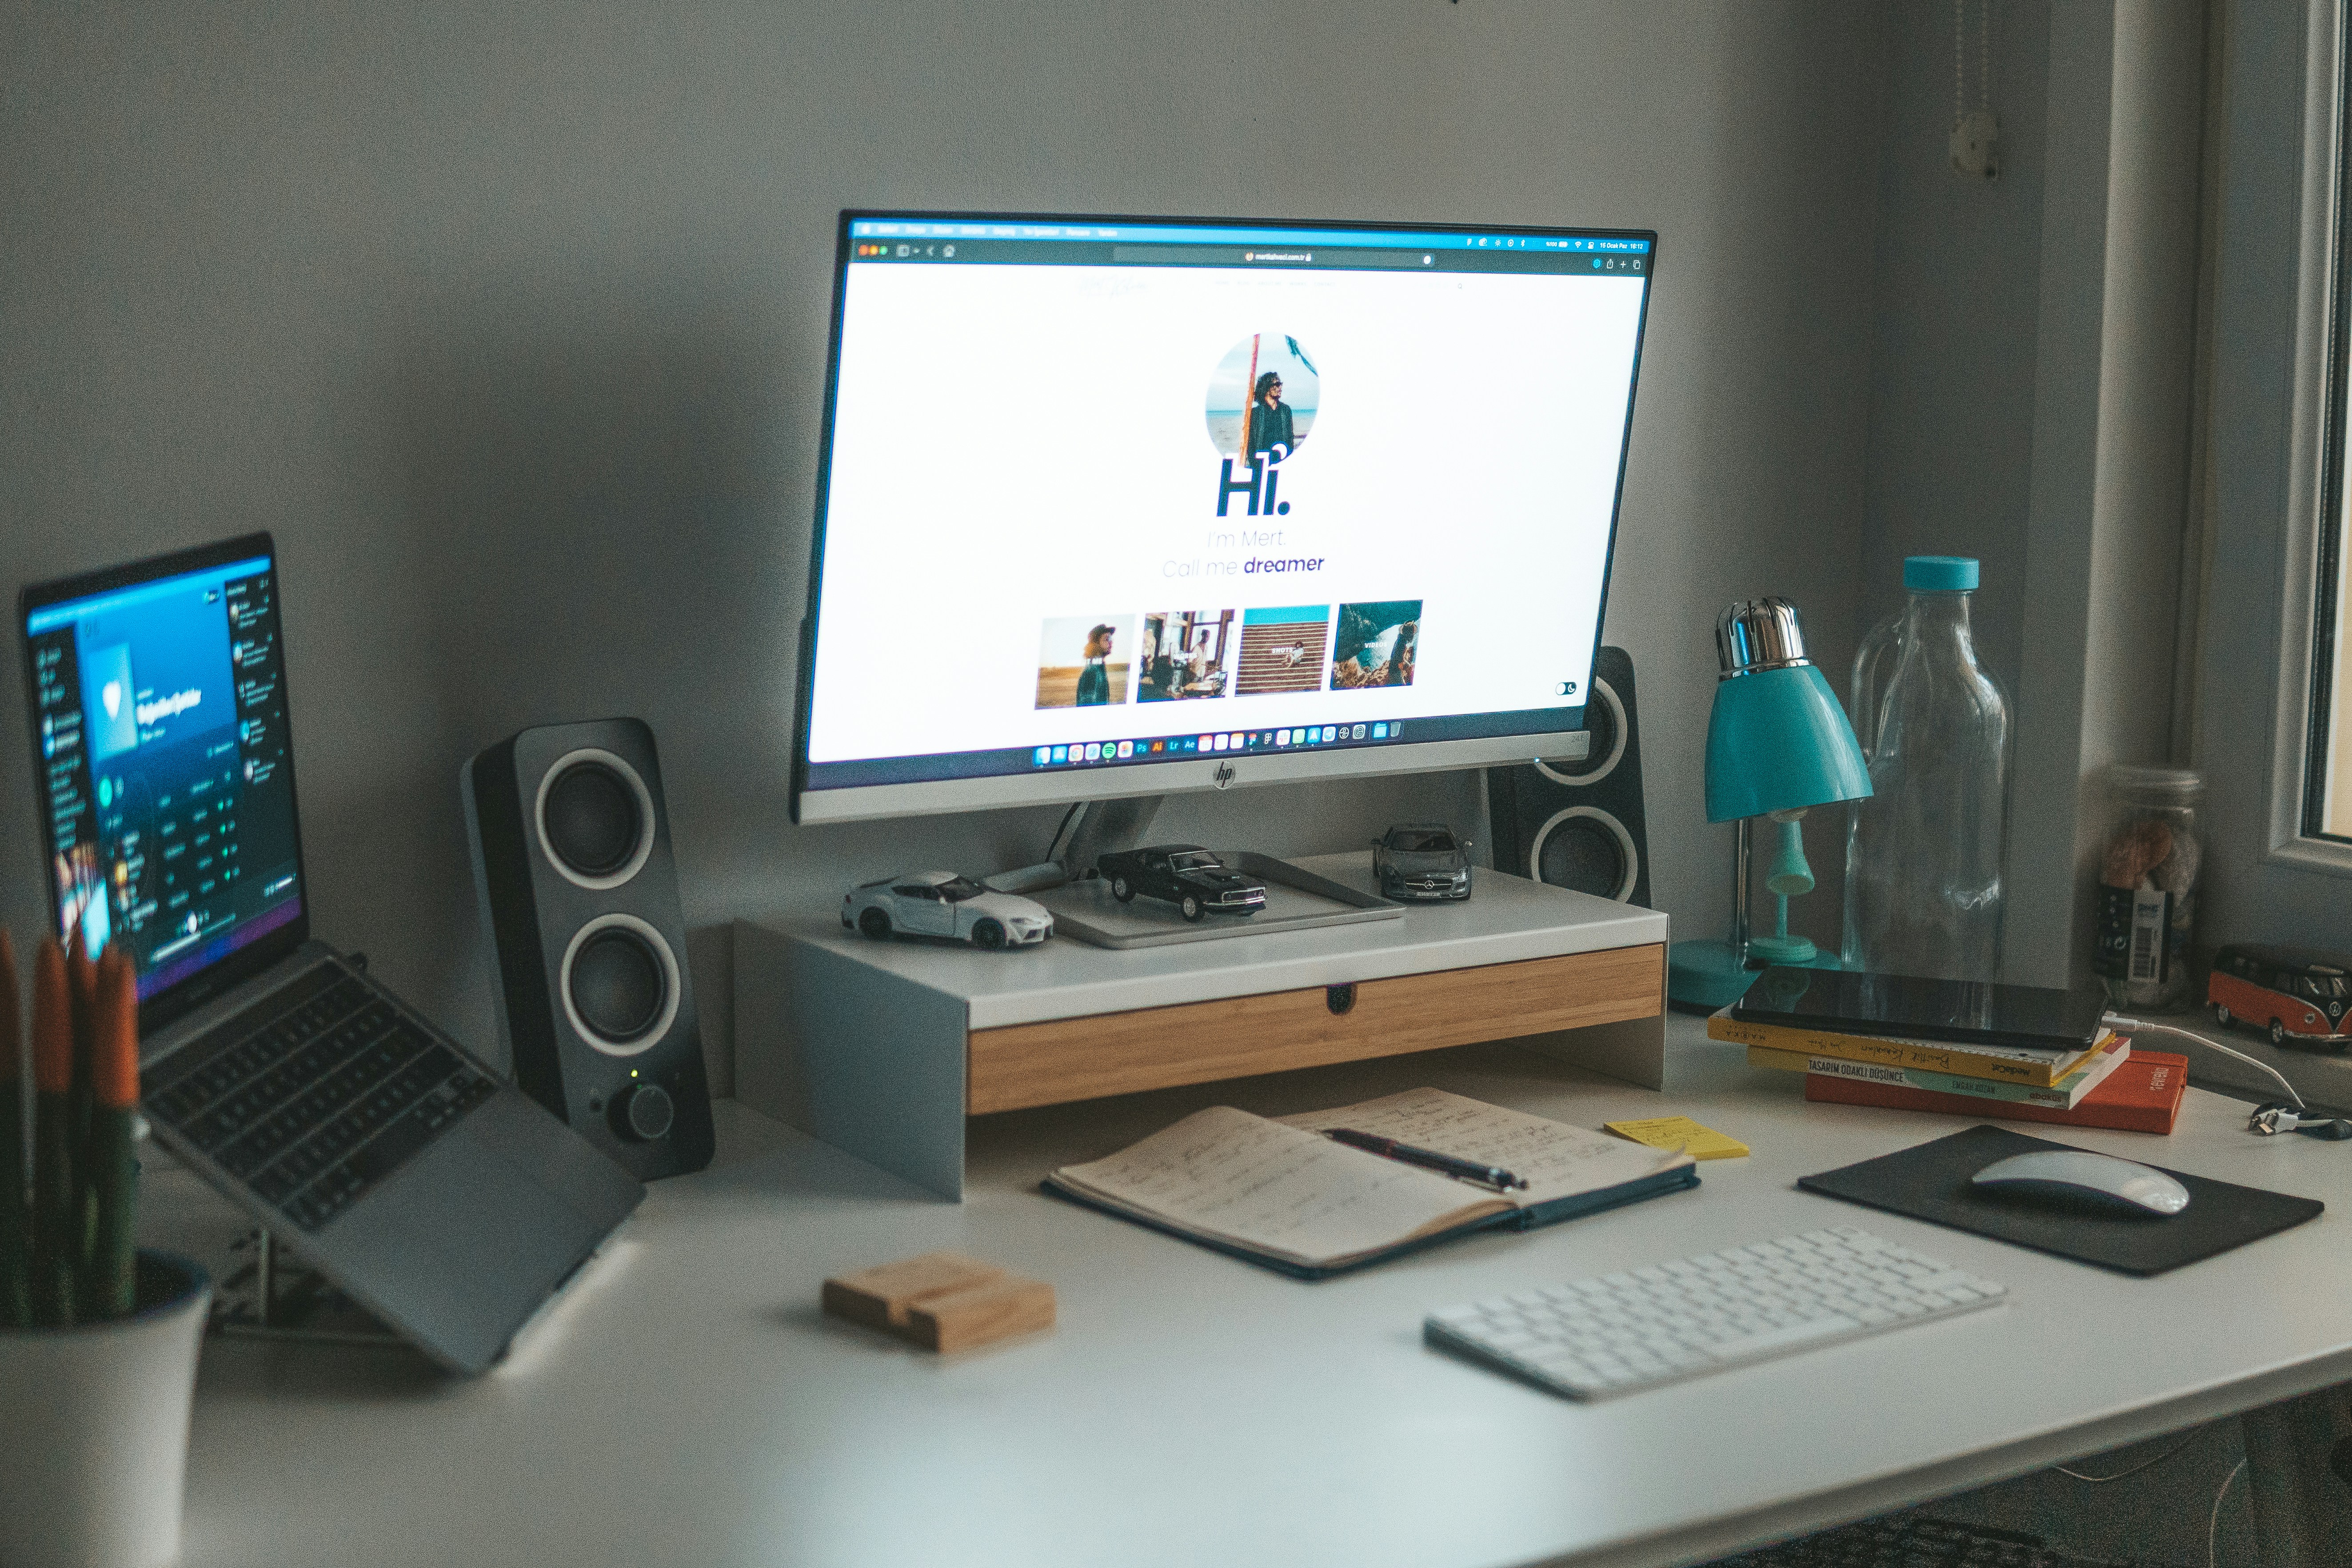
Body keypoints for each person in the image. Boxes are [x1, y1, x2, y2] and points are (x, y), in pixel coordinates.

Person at [1247, 372, 1297, 462]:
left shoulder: (1286, 410)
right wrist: (1256, 465)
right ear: (1267, 388)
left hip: (1283, 462)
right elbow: (1251, 445)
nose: (1280, 388)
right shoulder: (1255, 413)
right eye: (1277, 385)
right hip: (1262, 464)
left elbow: (1290, 440)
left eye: (1280, 384)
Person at [1075, 623, 1115, 706]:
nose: (1111, 642)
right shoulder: (1091, 672)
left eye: (1111, 638)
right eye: (1107, 639)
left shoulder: (1098, 667)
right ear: (1096, 644)